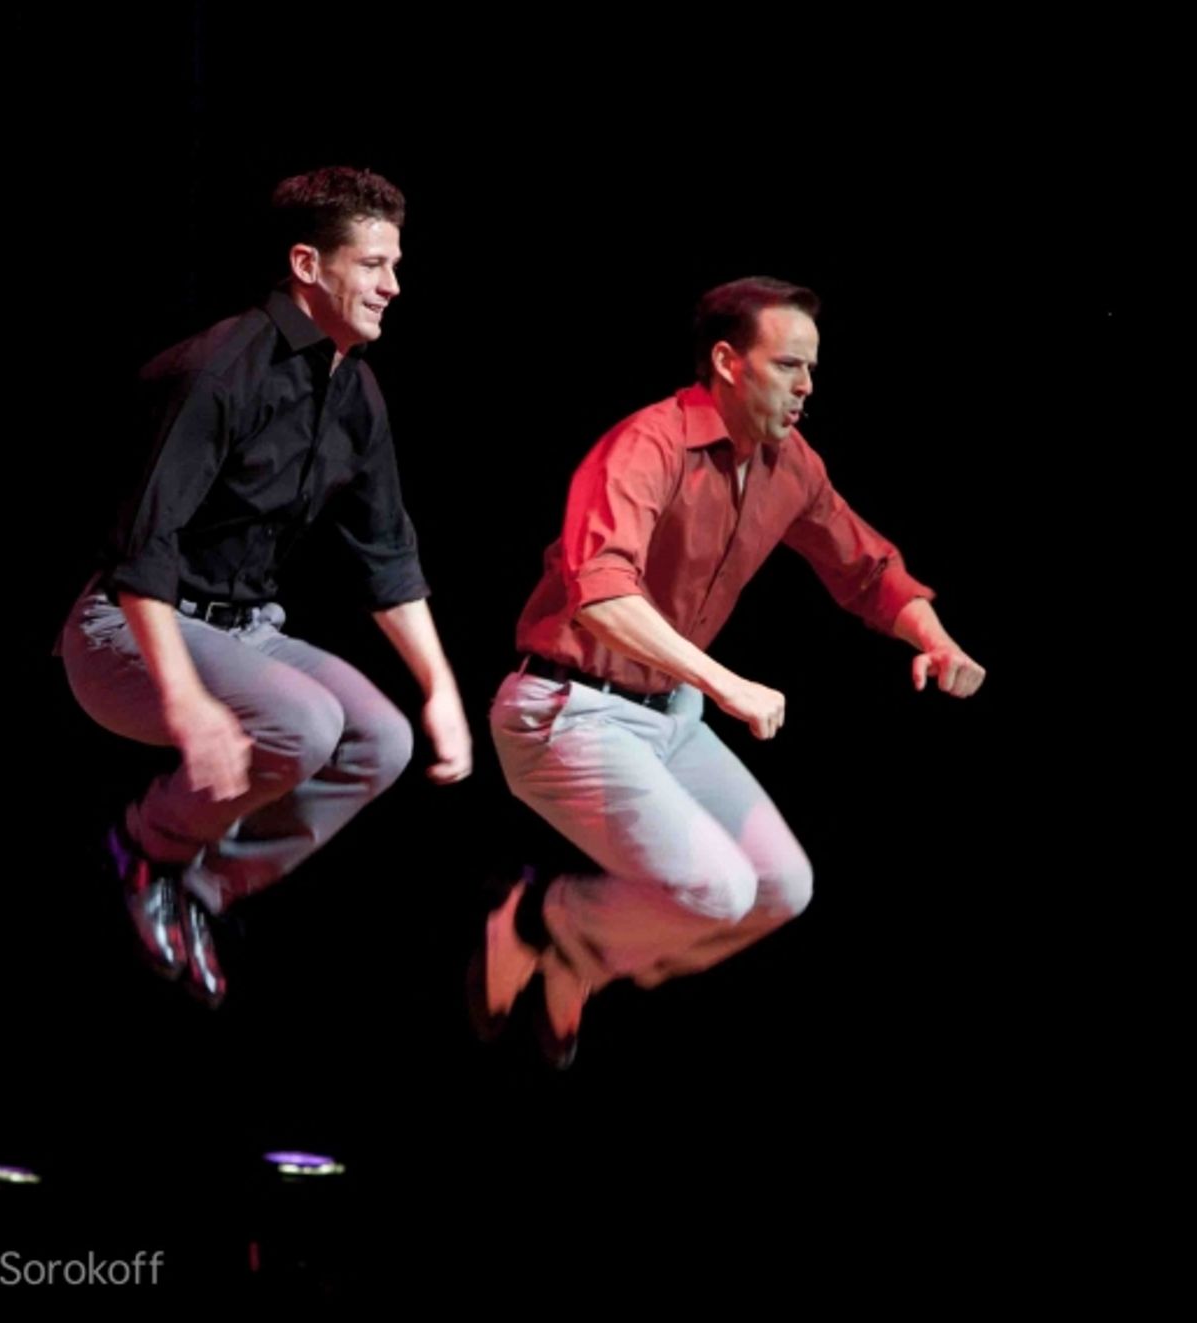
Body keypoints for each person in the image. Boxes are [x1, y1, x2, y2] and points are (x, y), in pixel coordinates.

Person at [478, 276, 984, 1065]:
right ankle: (541, 918)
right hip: (565, 709)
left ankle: (583, 954)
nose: (807, 385)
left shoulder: (789, 463)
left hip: (666, 717)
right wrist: (724, 681)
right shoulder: (647, 446)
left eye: (812, 368)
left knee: (784, 887)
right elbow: (600, 594)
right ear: (728, 362)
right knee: (719, 888)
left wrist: (936, 638)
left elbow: (866, 566)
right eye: (789, 365)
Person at [59, 166, 471, 1007]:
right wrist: (187, 704)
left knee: (380, 741)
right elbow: (144, 550)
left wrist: (441, 692)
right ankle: (148, 846)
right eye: (373, 265)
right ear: (309, 266)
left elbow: (387, 554)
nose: (394, 285)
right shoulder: (221, 370)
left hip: (244, 628)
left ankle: (195, 891)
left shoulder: (353, 388)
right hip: (128, 630)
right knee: (305, 721)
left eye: (397, 265)